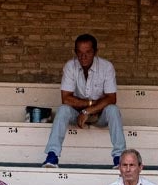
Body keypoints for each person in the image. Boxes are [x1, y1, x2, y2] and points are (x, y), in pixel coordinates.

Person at [43, 33, 125, 169]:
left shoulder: (107, 67)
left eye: (88, 52)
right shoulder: (70, 66)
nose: (83, 57)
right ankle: (52, 156)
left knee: (113, 109)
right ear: (75, 52)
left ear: (95, 52)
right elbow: (66, 98)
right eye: (79, 53)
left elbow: (111, 98)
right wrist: (90, 104)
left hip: (100, 115)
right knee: (63, 109)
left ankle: (119, 158)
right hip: (77, 114)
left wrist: (89, 110)